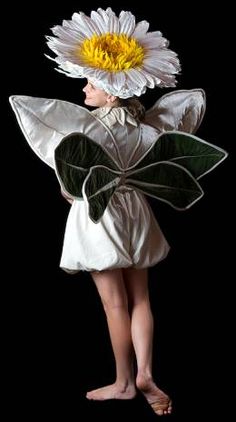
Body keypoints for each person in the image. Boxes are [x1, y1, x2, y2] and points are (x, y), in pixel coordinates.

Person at [9, 7, 227, 416]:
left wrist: (71, 190)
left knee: (115, 305)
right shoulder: (148, 127)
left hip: (101, 214)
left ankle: (125, 382)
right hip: (137, 211)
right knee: (141, 298)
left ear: (111, 91)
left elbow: (71, 188)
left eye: (90, 83)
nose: (84, 90)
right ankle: (147, 373)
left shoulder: (87, 128)